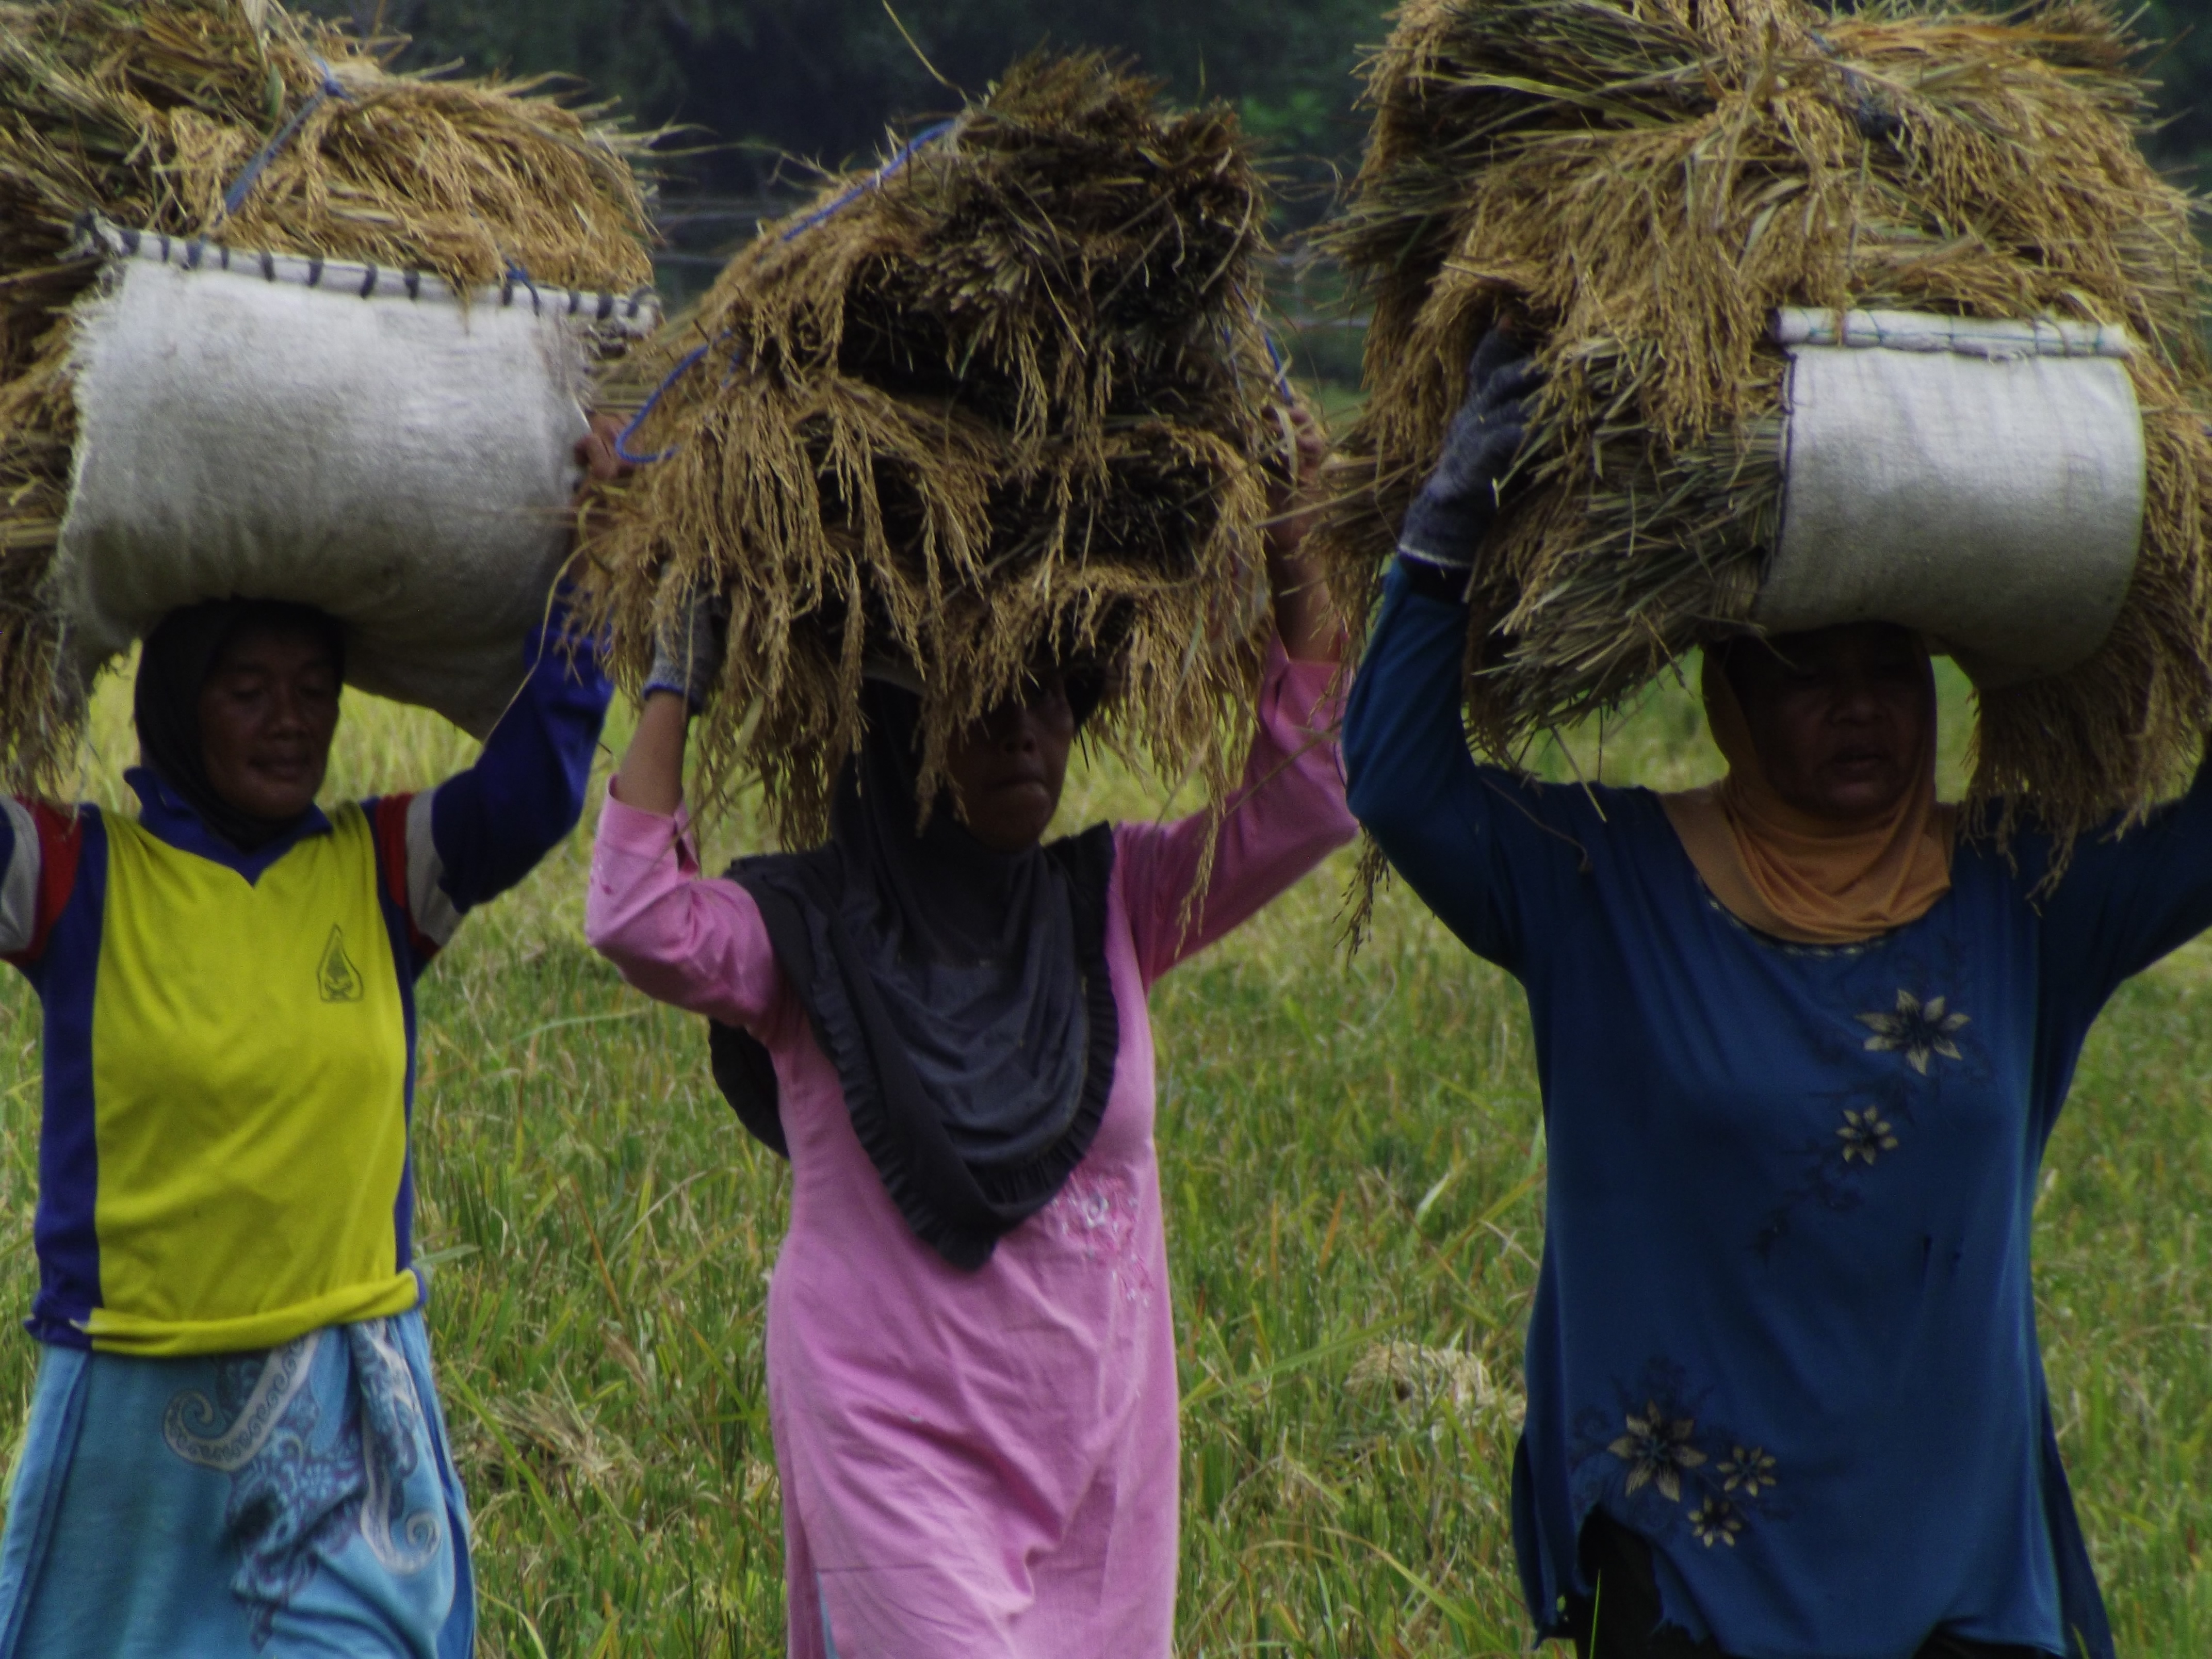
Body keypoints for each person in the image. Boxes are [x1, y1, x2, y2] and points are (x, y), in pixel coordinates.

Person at [1340, 329, 2207, 1659]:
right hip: (1691, 1597)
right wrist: (1449, 523)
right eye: (1808, 673)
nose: (1859, 708)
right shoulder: (1598, 886)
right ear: (1729, 695)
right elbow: (1401, 782)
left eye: (1887, 671)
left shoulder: (2023, 897)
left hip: (1958, 1595)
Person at [584, 410, 1354, 1657]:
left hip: (1099, 1451)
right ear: (896, 732)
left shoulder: (1112, 900)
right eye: (986, 698)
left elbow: (1316, 794)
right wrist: (678, 669)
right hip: (895, 1447)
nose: (1027, 731)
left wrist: (1290, 537)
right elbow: (637, 916)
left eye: (1051, 699)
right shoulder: (809, 932)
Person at [0, 427, 626, 1658]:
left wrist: (590, 573)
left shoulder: (385, 871)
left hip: (347, 1407)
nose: (291, 725)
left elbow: (540, 786)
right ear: (180, 703)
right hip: (135, 1406)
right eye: (248, 692)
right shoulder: (76, 879)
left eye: (313, 693)